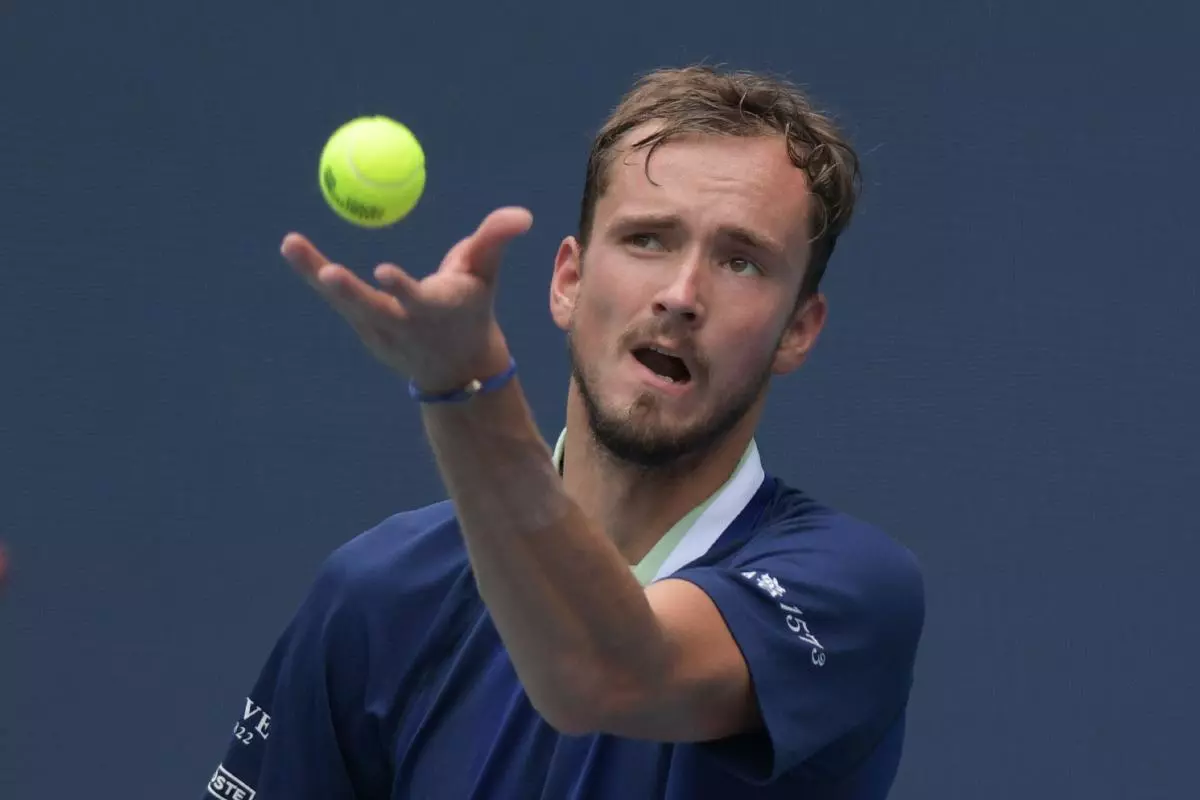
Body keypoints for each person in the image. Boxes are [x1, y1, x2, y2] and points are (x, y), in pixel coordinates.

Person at [202, 65, 925, 800]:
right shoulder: (380, 594)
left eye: (741, 261)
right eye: (648, 239)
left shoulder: (850, 592)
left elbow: (604, 675)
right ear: (568, 283)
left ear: (797, 330)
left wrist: (468, 392)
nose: (680, 296)